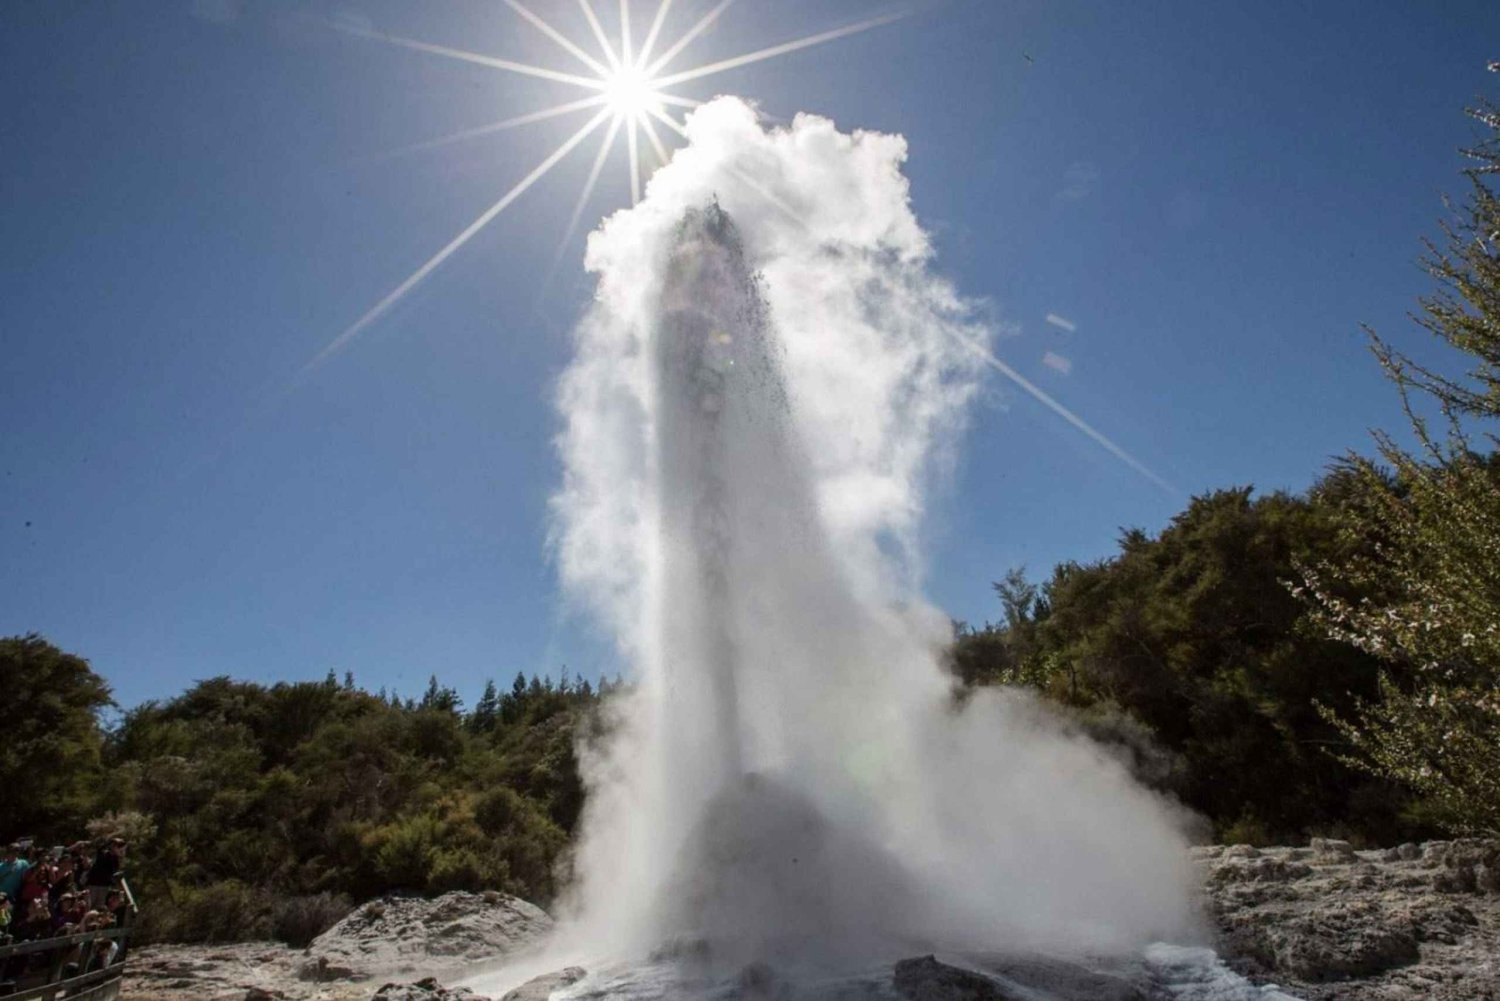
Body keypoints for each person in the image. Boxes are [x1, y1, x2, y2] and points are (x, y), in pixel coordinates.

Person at [84, 839, 124, 910]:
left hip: (104, 886)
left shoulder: (116, 859)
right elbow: (100, 848)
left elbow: (115, 870)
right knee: (88, 905)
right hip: (93, 883)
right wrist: (111, 842)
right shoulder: (103, 853)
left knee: (99, 907)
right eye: (115, 845)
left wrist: (118, 854)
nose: (116, 848)